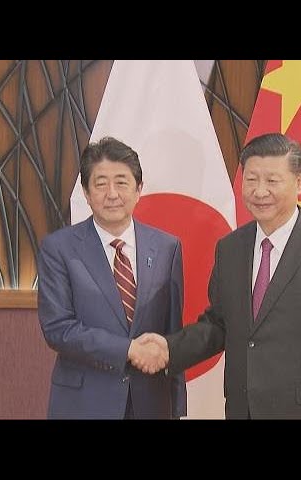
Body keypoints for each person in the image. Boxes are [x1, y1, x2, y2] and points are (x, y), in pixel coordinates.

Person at [138, 132, 301, 419]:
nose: (260, 191)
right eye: (251, 179)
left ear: (299, 182)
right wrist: (169, 349)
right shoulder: (231, 248)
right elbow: (220, 324)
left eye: (272, 181)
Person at [37, 136, 186, 419]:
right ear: (86, 192)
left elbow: (172, 334)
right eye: (101, 183)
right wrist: (128, 349)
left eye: (121, 182)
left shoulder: (167, 247)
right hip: (84, 403)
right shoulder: (59, 248)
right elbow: (58, 328)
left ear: (139, 189)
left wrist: (176, 406)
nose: (112, 194)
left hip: (151, 403)